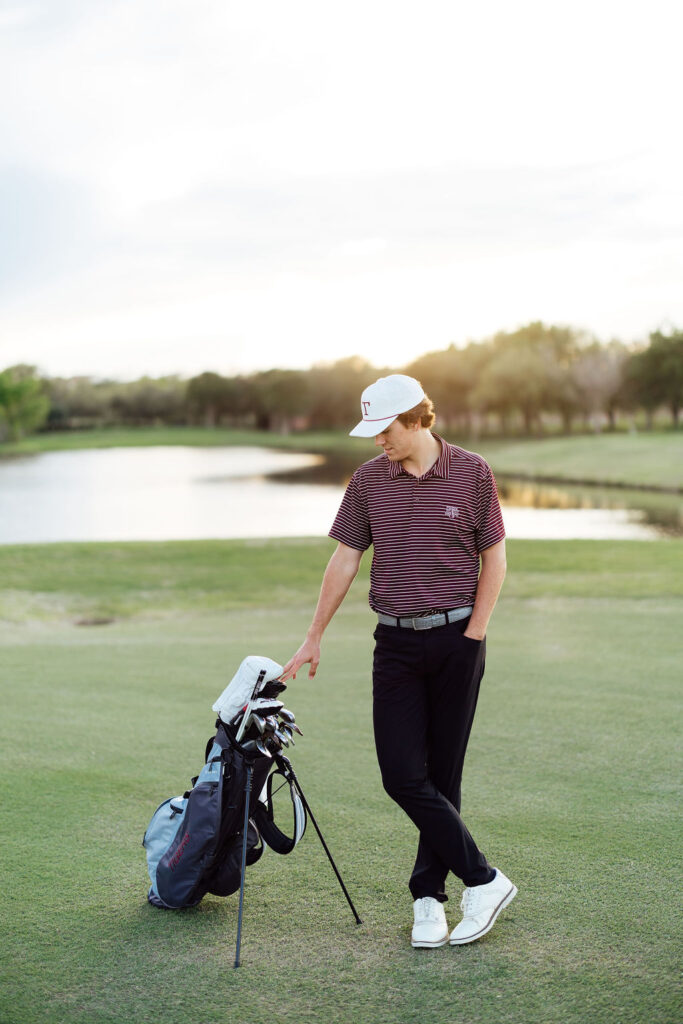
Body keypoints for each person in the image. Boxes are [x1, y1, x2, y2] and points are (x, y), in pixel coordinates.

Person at [281, 373, 516, 948]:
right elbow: (343, 561)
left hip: (459, 637)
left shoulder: (472, 471)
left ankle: (428, 901)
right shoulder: (367, 481)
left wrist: (474, 635)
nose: (377, 441)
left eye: (384, 430)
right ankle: (484, 880)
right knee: (402, 775)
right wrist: (314, 635)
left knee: (443, 775)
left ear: (417, 419)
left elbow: (496, 559)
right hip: (396, 646)